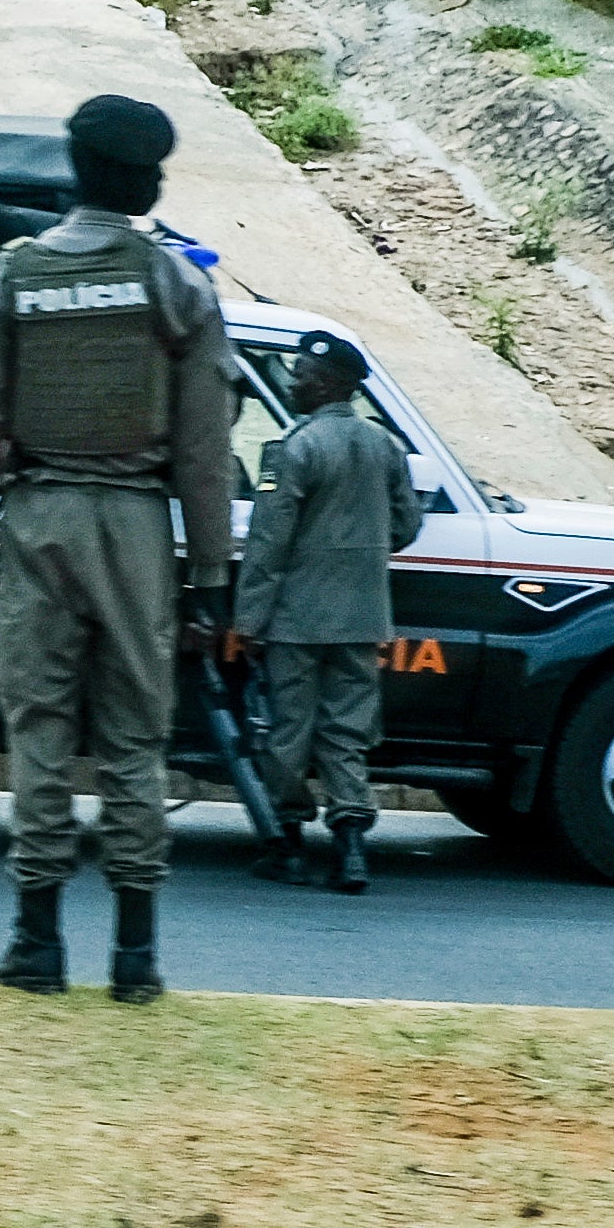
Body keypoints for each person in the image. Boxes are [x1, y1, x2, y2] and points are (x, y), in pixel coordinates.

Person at [0, 93, 236, 1005]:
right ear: (147, 183)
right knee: (136, 738)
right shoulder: (177, 284)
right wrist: (210, 572)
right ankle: (134, 959)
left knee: (40, 731)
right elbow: (205, 443)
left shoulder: (8, 279)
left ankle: (36, 943)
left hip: (37, 520)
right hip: (137, 525)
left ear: (72, 170)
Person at [236, 330, 425, 893]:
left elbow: (269, 545)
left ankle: (289, 846)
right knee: (347, 732)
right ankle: (351, 852)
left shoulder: (294, 448)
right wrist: (360, 555)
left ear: (328, 386)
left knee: (289, 729)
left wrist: (248, 620)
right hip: (363, 617)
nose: (294, 382)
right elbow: (407, 525)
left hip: (297, 619)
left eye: (302, 375)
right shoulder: (384, 446)